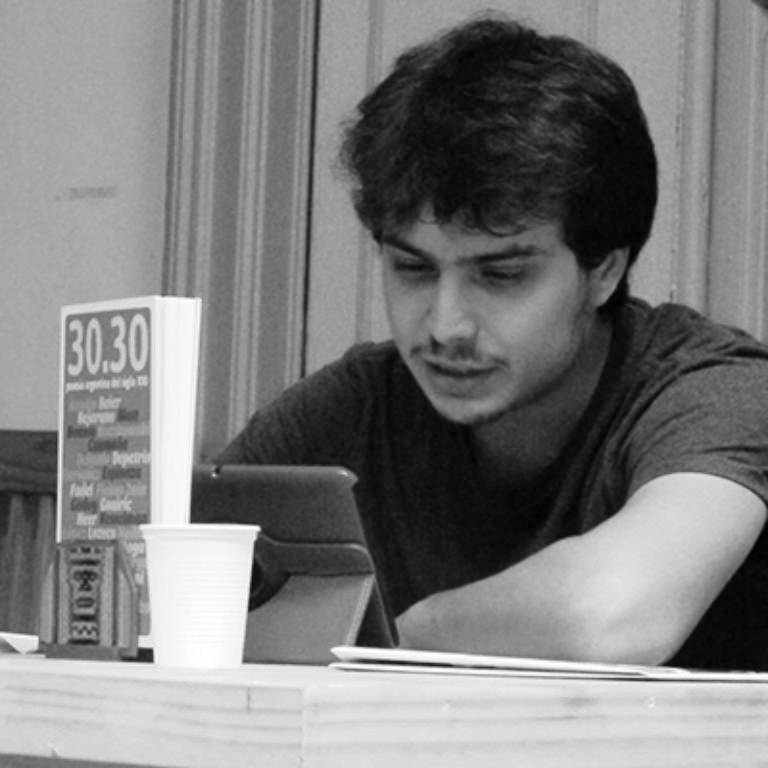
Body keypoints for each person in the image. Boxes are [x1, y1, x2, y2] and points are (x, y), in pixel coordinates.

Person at [216, 15, 768, 670]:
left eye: (501, 275)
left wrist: (392, 640)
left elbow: (607, 611)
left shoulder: (714, 390)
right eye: (413, 268)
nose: (445, 325)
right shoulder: (350, 411)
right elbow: (173, 592)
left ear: (604, 269)